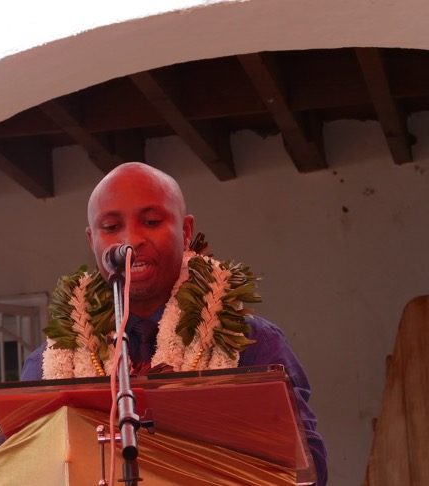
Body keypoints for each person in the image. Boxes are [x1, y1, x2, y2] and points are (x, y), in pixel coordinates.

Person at [21, 162, 327, 484]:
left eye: (151, 221)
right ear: (91, 239)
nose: (130, 241)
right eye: (110, 227)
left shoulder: (251, 343)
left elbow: (307, 471)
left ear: (186, 230)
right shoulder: (49, 365)